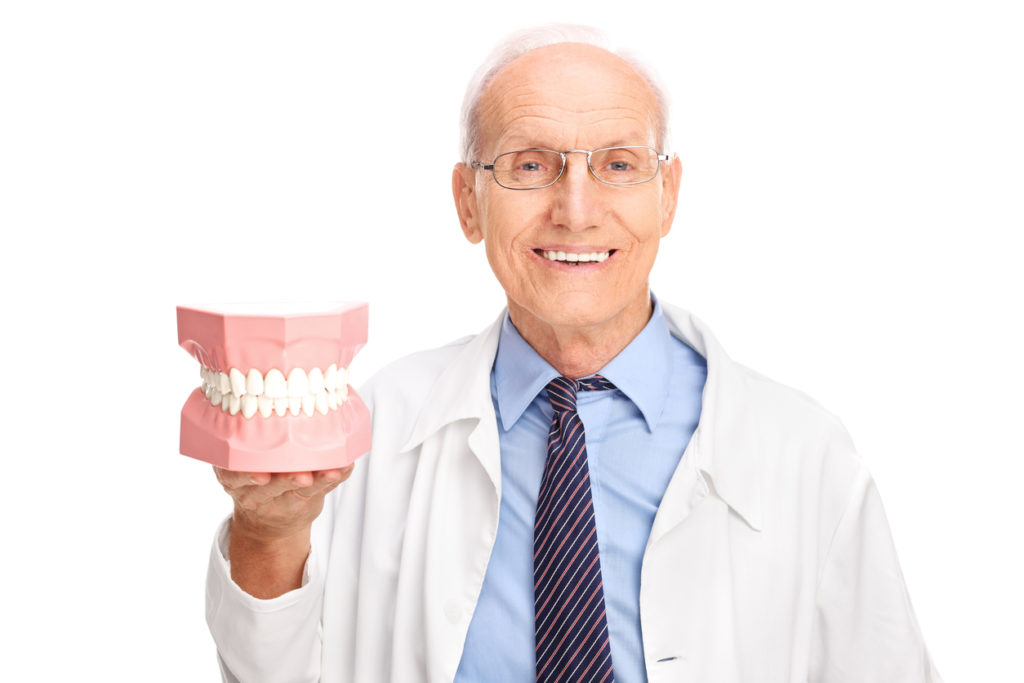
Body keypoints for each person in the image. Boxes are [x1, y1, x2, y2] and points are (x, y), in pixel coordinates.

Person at [206, 25, 943, 682]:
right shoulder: (376, 426)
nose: (578, 209)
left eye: (619, 165)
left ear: (668, 194)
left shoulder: (803, 453)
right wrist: (267, 534)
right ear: (468, 202)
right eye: (531, 165)